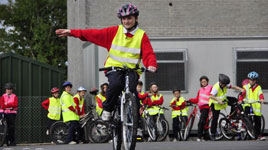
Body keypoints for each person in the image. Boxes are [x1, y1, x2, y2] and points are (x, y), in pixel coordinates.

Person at [55, 3, 157, 121]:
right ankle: (108, 109)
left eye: (129, 18)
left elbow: (148, 53)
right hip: (114, 68)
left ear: (136, 18)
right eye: (124, 18)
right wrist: (72, 32)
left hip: (132, 70)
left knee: (134, 94)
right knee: (116, 85)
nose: (126, 21)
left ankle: (134, 124)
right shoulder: (114, 32)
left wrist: (151, 65)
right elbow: (93, 34)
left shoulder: (141, 35)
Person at [209, 74, 244, 141]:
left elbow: (232, 87)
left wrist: (241, 89)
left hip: (223, 100)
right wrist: (218, 100)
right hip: (215, 103)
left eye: (226, 84)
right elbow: (210, 96)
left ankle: (231, 116)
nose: (226, 86)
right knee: (215, 118)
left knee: (235, 101)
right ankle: (212, 134)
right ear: (221, 83)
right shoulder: (216, 88)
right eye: (224, 84)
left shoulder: (224, 84)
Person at [238, 71, 266, 141]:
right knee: (246, 113)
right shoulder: (245, 87)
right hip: (247, 103)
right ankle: (244, 126)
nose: (251, 81)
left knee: (258, 121)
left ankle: (258, 135)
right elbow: (242, 94)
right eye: (250, 80)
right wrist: (240, 100)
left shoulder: (258, 87)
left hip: (256, 105)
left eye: (253, 80)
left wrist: (262, 99)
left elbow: (260, 95)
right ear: (248, 80)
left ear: (256, 80)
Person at [189, 76, 212, 142]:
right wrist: (190, 100)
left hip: (207, 107)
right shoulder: (200, 90)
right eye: (202, 82)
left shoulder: (210, 88)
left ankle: (199, 137)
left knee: (201, 122)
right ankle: (206, 137)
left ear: (207, 82)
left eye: (205, 82)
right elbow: (197, 99)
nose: (203, 83)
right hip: (201, 108)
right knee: (205, 122)